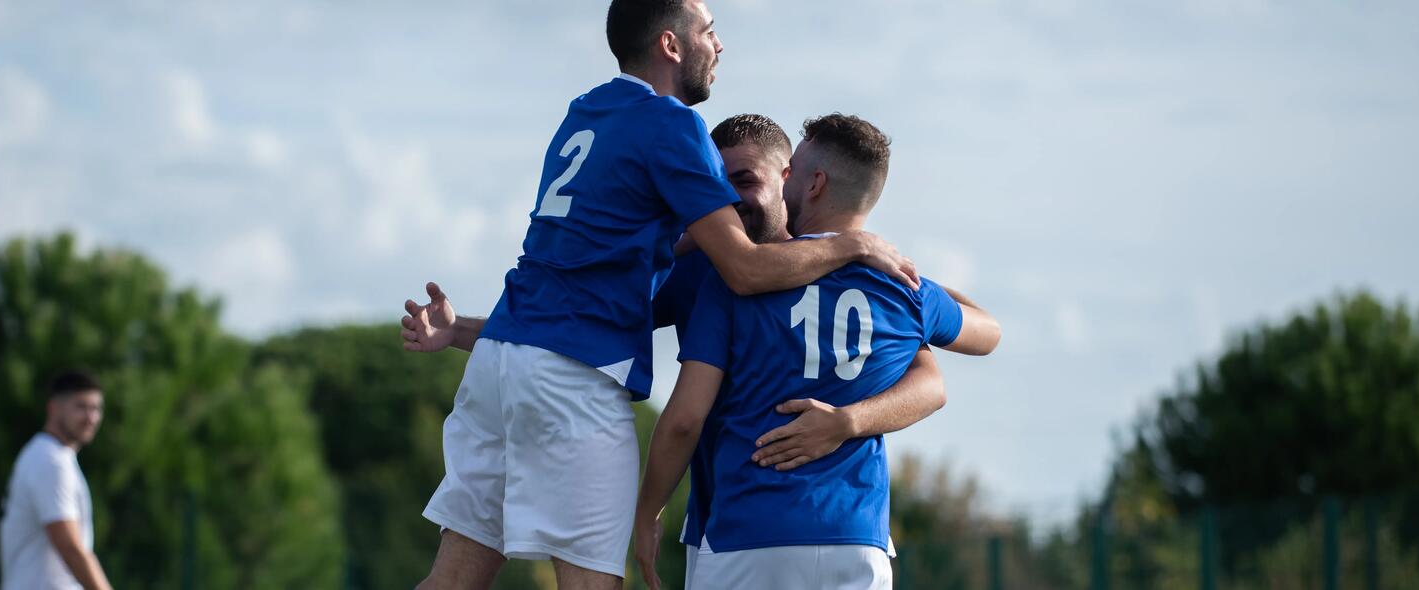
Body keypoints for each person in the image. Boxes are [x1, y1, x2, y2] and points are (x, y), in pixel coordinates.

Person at [411, 0, 918, 585]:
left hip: (502, 362)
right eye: (708, 30)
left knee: (451, 579)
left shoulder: (583, 114)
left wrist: (458, 332)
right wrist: (854, 246)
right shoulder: (673, 125)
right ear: (671, 46)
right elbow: (747, 269)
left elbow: (584, 278)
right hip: (571, 384)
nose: (719, 44)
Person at [632, 114, 1002, 589]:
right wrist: (904, 277)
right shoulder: (893, 289)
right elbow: (987, 333)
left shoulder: (732, 282)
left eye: (747, 180)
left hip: (744, 531)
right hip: (852, 536)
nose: (726, 199)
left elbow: (684, 418)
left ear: (804, 182)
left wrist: (646, 513)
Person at [0, 371, 113, 590]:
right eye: (81, 407)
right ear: (53, 408)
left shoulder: (47, 455)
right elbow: (70, 548)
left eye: (96, 408)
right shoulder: (51, 461)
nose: (91, 418)